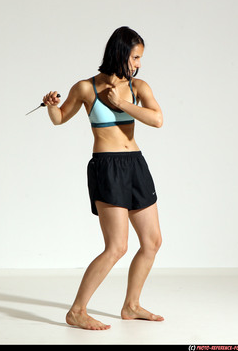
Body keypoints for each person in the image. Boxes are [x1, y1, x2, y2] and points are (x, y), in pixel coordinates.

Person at [42, 26, 164, 330]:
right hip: (107, 166)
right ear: (120, 53)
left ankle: (131, 305)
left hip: (136, 163)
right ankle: (77, 310)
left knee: (152, 241)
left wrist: (121, 103)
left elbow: (158, 120)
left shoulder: (140, 87)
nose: (138, 64)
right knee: (116, 246)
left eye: (139, 58)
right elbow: (59, 119)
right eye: (135, 57)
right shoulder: (86, 88)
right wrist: (51, 107)